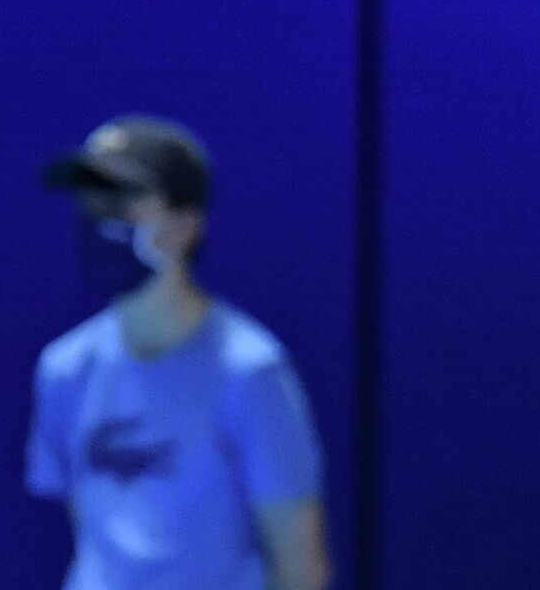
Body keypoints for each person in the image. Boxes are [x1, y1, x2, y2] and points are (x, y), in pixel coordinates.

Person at [26, 115, 331, 590]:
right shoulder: (64, 369)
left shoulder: (250, 373)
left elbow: (299, 560)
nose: (99, 216)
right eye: (89, 199)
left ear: (184, 225)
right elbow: (90, 531)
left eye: (123, 199)